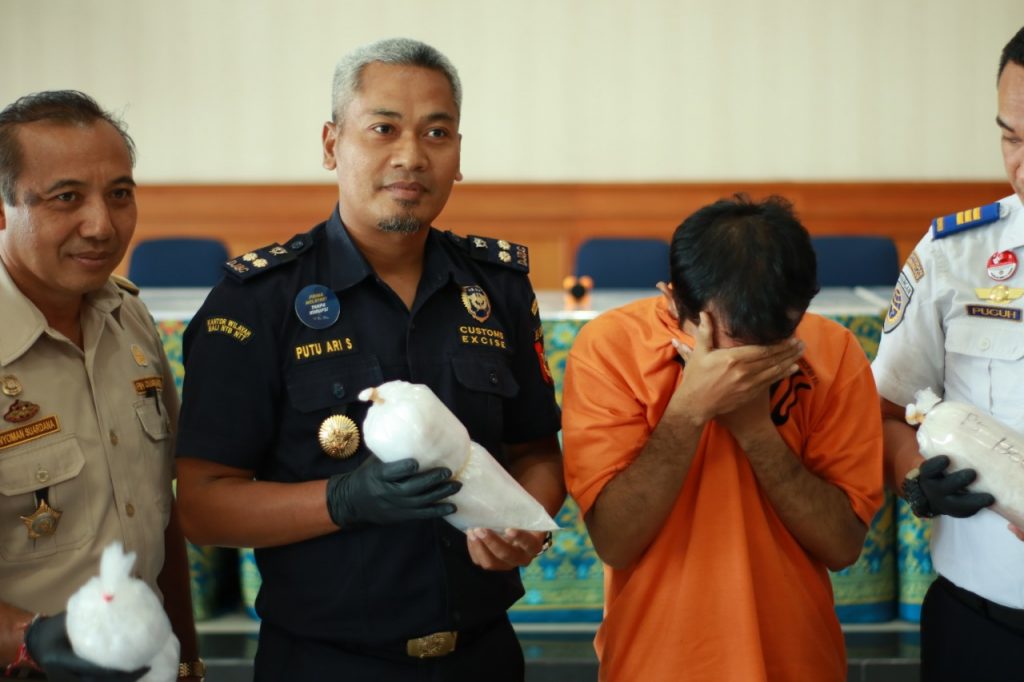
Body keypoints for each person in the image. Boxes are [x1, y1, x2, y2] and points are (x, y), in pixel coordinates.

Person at [173, 38, 564, 681]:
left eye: (436, 133)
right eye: (383, 129)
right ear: (332, 145)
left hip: (484, 657)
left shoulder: (496, 289)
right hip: (325, 663)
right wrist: (344, 500)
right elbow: (203, 506)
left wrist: (526, 525)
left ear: (458, 154)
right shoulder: (257, 301)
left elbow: (537, 453)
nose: (411, 156)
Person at [561, 194, 884, 681]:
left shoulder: (833, 351)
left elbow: (842, 546)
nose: (756, 358)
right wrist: (690, 409)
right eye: (735, 337)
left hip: (795, 658)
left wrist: (755, 430)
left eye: (780, 336)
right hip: (656, 660)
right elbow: (616, 541)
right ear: (674, 301)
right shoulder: (610, 349)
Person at [0, 91, 201, 679]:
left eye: (119, 194)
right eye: (66, 197)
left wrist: (188, 662)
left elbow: (158, 514)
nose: (102, 226)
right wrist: (32, 639)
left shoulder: (128, 317)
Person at [871, 25, 1024, 681]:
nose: (1022, 166)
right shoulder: (955, 254)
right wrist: (916, 476)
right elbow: (885, 410)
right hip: (984, 624)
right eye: (1012, 138)